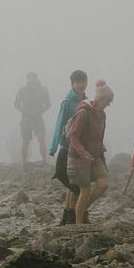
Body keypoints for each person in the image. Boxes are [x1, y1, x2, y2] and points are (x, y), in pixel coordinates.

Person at [66, 79, 113, 225]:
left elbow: (100, 140)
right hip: (79, 158)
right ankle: (79, 224)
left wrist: (103, 160)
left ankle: (83, 208)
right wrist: (82, 152)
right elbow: (73, 135)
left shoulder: (102, 115)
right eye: (108, 101)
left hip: (95, 156)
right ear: (101, 99)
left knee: (103, 184)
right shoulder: (83, 113)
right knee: (85, 190)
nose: (109, 104)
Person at [49, 70, 88, 225]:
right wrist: (53, 146)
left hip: (80, 147)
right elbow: (59, 123)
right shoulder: (67, 102)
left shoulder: (87, 102)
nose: (81, 84)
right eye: (78, 82)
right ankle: (75, 213)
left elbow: (91, 127)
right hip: (66, 145)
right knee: (63, 175)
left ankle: (67, 217)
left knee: (73, 182)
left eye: (83, 81)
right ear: (72, 84)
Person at [14, 72, 51, 167]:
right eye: (29, 79)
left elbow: (48, 104)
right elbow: (16, 104)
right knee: (26, 140)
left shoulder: (42, 90)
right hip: (26, 118)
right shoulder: (22, 90)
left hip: (38, 117)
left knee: (41, 138)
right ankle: (24, 162)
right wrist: (24, 110)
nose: (31, 81)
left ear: (36, 79)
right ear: (27, 80)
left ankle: (44, 160)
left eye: (33, 79)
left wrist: (40, 110)